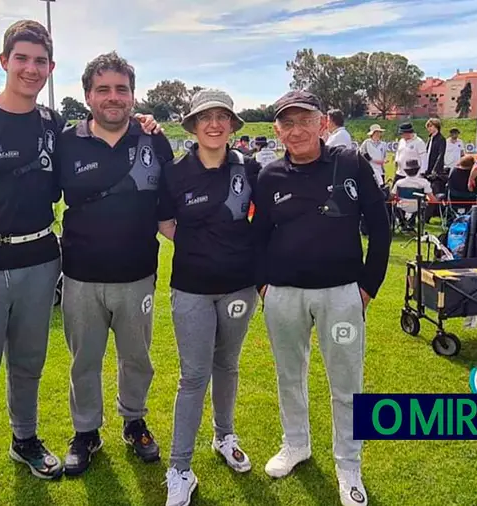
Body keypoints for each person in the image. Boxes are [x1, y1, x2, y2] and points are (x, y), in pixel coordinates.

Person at [0, 21, 157, 505]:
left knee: (28, 366)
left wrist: (146, 121)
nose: (31, 69)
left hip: (41, 259)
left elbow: (107, 125)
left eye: (40, 62)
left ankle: (23, 440)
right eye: (22, 59)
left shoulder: (53, 125)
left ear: (50, 68)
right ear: (4, 60)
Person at [252, 90, 390, 506]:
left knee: (347, 385)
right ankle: (296, 444)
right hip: (284, 296)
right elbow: (257, 238)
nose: (296, 131)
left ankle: (349, 464)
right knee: (289, 377)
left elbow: (380, 229)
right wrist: (264, 287)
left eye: (304, 121)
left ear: (321, 124)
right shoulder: (269, 175)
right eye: (287, 123)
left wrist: (366, 289)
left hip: (342, 294)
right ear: (278, 130)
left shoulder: (350, 163)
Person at [56, 51, 174, 477]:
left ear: (132, 95)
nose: (113, 97)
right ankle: (86, 431)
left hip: (138, 274)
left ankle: (134, 420)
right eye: (103, 89)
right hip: (81, 275)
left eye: (121, 89)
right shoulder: (66, 141)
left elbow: (171, 205)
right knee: (83, 359)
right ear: (88, 95)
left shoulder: (153, 141)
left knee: (136, 358)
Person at [155, 89, 261, 506]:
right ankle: (180, 467)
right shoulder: (176, 172)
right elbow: (165, 221)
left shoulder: (250, 169)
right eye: (205, 117)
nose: (214, 124)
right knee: (194, 375)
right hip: (191, 288)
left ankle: (224, 436)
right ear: (193, 126)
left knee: (228, 365)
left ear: (233, 125)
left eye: (222, 117)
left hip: (239, 288)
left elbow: (264, 221)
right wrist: (203, 246)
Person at [393, 158, 438, 230]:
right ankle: (412, 222)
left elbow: (392, 196)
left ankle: (402, 222)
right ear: (418, 170)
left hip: (402, 206)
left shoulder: (399, 182)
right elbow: (432, 199)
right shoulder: (424, 182)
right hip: (418, 206)